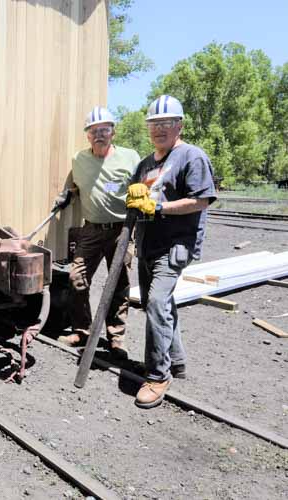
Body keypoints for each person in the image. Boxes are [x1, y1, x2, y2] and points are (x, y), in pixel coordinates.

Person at [126, 95, 216, 409]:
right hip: (148, 245)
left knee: (154, 303)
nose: (159, 129)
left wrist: (159, 205)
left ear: (179, 125)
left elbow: (201, 200)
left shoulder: (192, 156)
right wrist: (127, 192)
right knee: (162, 305)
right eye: (154, 124)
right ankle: (176, 360)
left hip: (175, 246)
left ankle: (158, 375)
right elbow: (129, 193)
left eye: (166, 123)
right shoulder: (146, 163)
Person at [58, 106, 140, 359]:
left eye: (104, 129)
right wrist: (66, 194)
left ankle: (116, 337)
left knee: (118, 283)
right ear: (87, 136)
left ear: (113, 132)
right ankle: (81, 330)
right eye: (94, 131)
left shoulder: (130, 157)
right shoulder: (79, 159)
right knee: (76, 279)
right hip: (91, 230)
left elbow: (142, 189)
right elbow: (74, 185)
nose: (99, 135)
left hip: (122, 230)